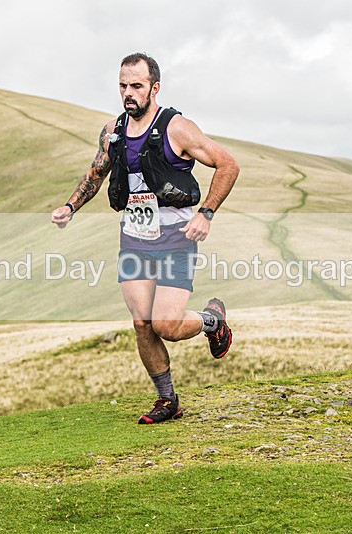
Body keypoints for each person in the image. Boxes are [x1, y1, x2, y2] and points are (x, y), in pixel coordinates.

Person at [51, 52, 240, 424]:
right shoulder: (112, 131)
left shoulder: (178, 128)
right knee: (141, 323)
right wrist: (70, 207)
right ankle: (167, 400)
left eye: (136, 86)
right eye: (123, 85)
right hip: (135, 240)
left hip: (176, 238)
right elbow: (97, 173)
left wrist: (207, 213)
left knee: (165, 325)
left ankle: (212, 322)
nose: (128, 93)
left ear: (154, 87)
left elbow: (228, 164)